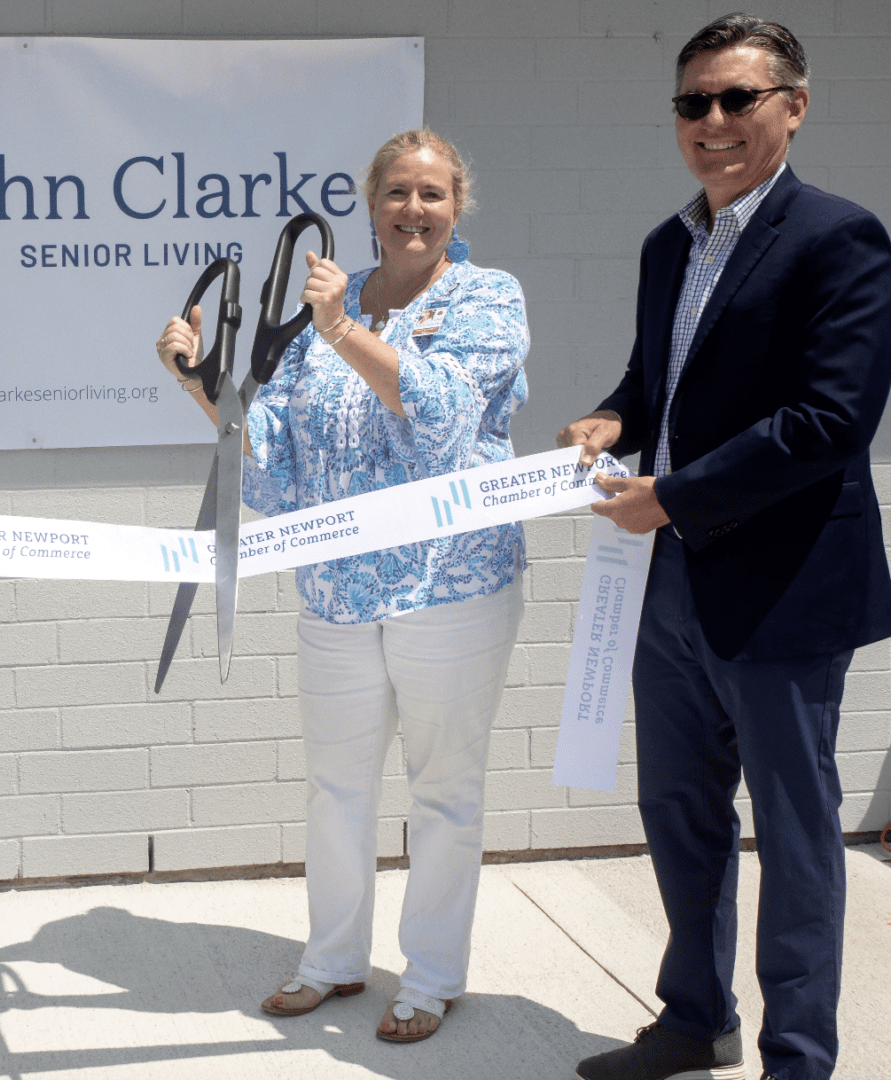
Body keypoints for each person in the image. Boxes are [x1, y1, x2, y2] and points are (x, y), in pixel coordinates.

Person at [558, 14, 891, 1080]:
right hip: (672, 591)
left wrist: (677, 495)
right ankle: (695, 1017)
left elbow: (831, 422)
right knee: (680, 811)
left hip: (784, 591)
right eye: (693, 102)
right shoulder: (671, 245)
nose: (712, 121)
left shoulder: (841, 238)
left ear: (793, 105)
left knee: (795, 835)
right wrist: (612, 420)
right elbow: (658, 387)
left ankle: (800, 1056)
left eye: (736, 98)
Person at [155, 129, 529, 1043]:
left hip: (450, 584)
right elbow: (269, 459)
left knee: (443, 788)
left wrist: (343, 331)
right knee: (334, 786)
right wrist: (197, 380)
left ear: (457, 205)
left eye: (432, 194)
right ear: (369, 205)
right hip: (332, 592)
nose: (413, 210)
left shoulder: (486, 298)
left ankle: (432, 977)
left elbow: (440, 416)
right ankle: (332, 961)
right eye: (397, 193)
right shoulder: (315, 310)